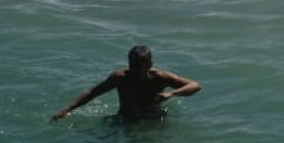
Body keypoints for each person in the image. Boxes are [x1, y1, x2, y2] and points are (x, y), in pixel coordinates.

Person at [52, 46, 201, 121]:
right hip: (125, 120)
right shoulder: (120, 77)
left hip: (154, 119)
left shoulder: (160, 77)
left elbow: (195, 85)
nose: (135, 70)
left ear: (150, 64)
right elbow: (93, 92)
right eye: (132, 65)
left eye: (139, 66)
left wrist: (172, 93)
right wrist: (68, 109)